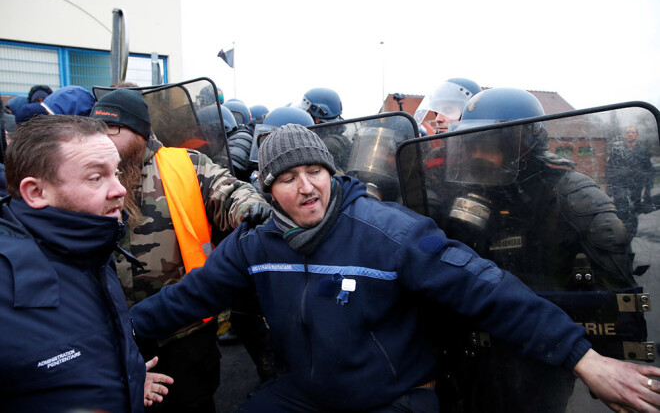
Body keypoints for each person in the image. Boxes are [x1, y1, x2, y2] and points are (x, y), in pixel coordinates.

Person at [131, 123, 660, 413]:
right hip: (307, 393)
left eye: (316, 170)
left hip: (392, 398)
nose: (307, 186)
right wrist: (112, 339)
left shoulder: (389, 233)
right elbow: (186, 299)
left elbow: (489, 289)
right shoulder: (256, 243)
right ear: (267, 190)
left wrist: (584, 360)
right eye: (288, 178)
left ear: (332, 173)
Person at [437, 88, 640, 412]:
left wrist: (608, 364)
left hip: (544, 352)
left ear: (524, 143)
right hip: (475, 348)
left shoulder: (573, 196)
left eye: (488, 145)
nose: (477, 154)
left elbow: (617, 302)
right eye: (472, 144)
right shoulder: (469, 190)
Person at [90, 88, 271, 413]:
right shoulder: (86, 172)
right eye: (97, 128)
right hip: (110, 334)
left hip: (184, 333)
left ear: (140, 131)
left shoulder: (186, 165)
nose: (102, 137)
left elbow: (230, 192)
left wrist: (251, 209)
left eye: (112, 128)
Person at [0, 114, 172, 412]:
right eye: (96, 177)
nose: (119, 189)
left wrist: (125, 379)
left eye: (116, 173)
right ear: (36, 191)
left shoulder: (89, 244)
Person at [606, 125, 655, 240]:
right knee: (620, 211)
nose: (630, 134)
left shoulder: (643, 150)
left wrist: (647, 191)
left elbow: (649, 170)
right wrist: (609, 186)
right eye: (628, 132)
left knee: (633, 212)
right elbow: (610, 167)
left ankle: (630, 237)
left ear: (637, 135)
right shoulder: (617, 150)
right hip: (619, 187)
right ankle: (618, 235)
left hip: (636, 187)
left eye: (633, 132)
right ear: (624, 135)